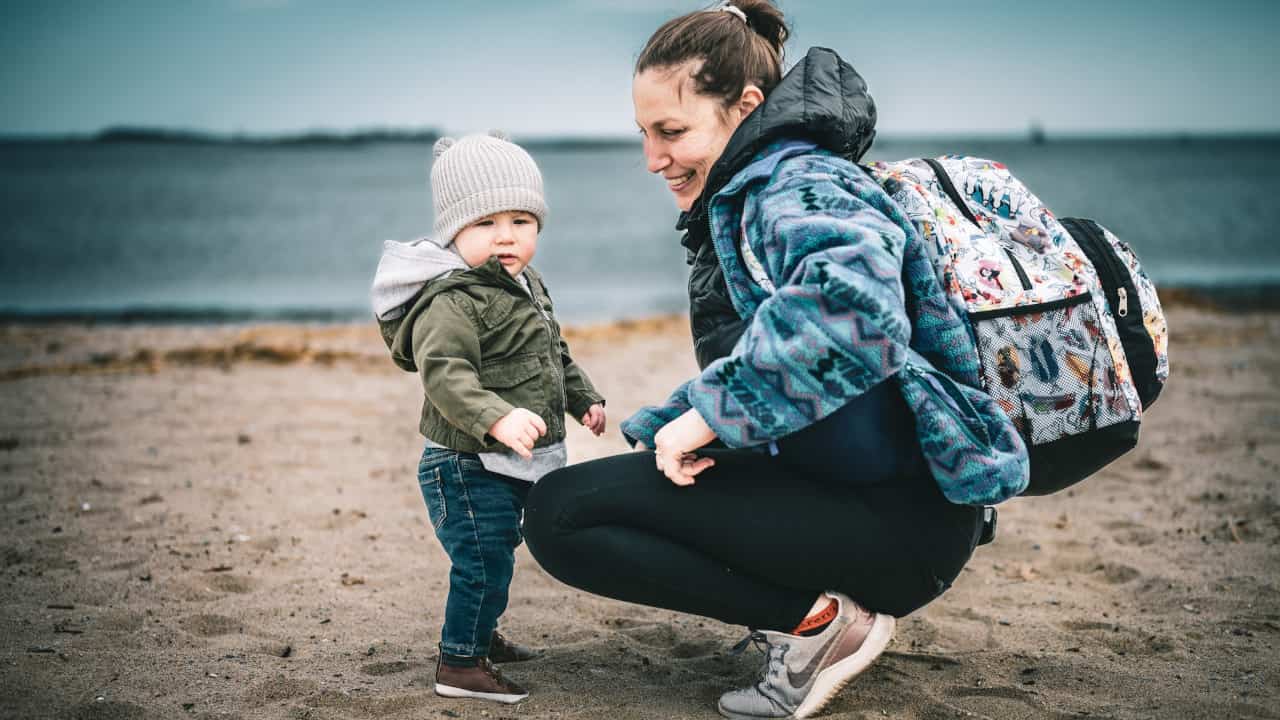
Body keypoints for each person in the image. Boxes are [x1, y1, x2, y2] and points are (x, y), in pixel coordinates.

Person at [522, 2, 1027, 718]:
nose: (653, 158)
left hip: (901, 522)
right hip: (853, 492)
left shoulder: (797, 185)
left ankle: (819, 629)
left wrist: (709, 416)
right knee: (566, 508)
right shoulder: (751, 191)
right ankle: (811, 618)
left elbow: (856, 318)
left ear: (745, 107)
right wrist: (670, 423)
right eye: (643, 133)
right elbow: (773, 351)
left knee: (563, 519)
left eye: (671, 131)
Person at [370, 131, 607, 704]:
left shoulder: (526, 283)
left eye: (521, 221)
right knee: (481, 561)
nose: (506, 235)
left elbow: (553, 350)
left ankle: (480, 638)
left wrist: (583, 399)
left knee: (495, 556)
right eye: (485, 224)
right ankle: (459, 665)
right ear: (454, 232)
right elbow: (446, 374)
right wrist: (496, 418)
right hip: (466, 461)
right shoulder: (453, 299)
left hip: (508, 460)